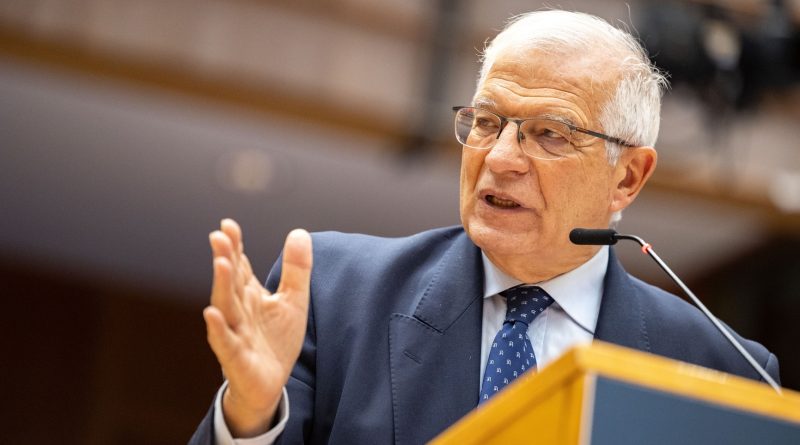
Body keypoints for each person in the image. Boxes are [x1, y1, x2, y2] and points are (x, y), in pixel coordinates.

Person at [190, 9, 780, 445]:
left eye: (550, 133)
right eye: (487, 121)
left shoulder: (722, 369)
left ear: (627, 177)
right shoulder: (337, 294)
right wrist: (250, 417)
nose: (499, 157)